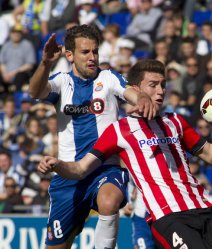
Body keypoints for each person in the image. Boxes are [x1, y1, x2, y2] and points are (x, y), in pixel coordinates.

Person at [38, 59, 212, 249]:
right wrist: (57, 164)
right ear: (136, 89)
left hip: (205, 208)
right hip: (169, 217)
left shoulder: (175, 122)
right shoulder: (119, 130)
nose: (161, 91)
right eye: (153, 85)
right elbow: (80, 169)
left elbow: (211, 154)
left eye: (163, 85)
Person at [28, 24, 156, 249]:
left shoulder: (108, 78)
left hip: (105, 168)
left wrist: (143, 99)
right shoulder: (62, 82)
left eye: (95, 51)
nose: (92, 57)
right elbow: (35, 92)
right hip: (68, 175)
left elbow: (133, 94)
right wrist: (45, 64)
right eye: (85, 52)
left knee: (108, 202)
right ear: (69, 55)